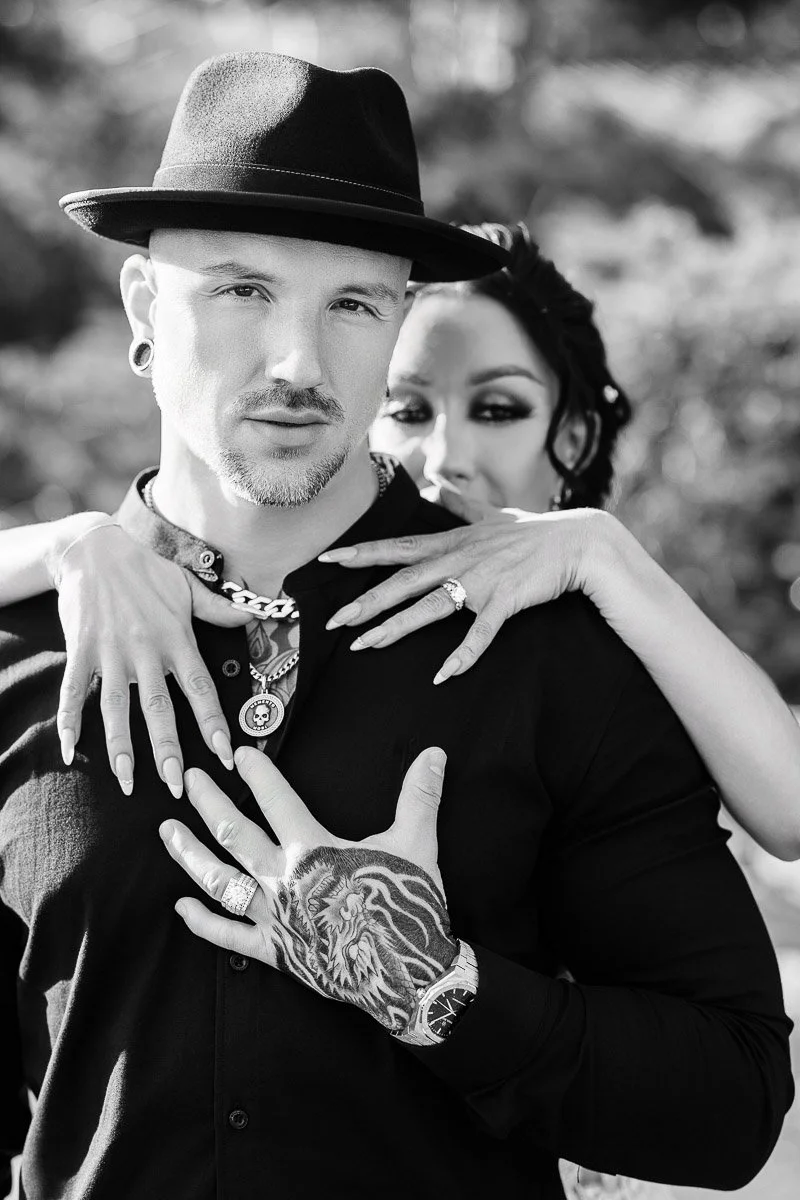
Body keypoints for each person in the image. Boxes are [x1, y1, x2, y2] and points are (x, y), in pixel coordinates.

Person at [0, 52, 793, 1200]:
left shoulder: (547, 650)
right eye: (240, 289)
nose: (295, 364)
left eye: (352, 306)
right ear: (140, 308)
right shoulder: (23, 653)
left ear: (398, 323)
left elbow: (728, 1111)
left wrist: (435, 991)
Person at [5, 226, 800, 863]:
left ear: (576, 434)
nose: (445, 455)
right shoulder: (131, 590)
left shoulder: (595, 640)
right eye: (409, 410)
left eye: (497, 409)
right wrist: (72, 544)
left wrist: (602, 550)